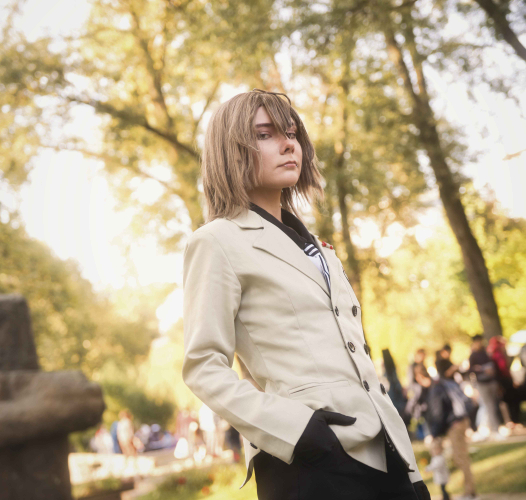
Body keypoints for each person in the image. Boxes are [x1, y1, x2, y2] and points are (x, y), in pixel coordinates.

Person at [182, 89, 428, 500]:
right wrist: (299, 431)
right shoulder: (216, 241)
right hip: (310, 462)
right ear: (230, 150)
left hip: (388, 451)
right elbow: (203, 366)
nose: (287, 144)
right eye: (265, 134)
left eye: (292, 133)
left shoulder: (320, 248)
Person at [415, 365, 478, 500]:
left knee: (460, 458)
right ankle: (469, 491)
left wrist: (434, 434)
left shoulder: (435, 389)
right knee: (460, 457)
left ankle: (470, 492)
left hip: (455, 424)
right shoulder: (439, 384)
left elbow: (438, 413)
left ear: (420, 377)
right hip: (458, 422)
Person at [468, 335, 501, 436]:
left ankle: (492, 428)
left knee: (492, 405)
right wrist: (481, 370)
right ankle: (491, 429)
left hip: (490, 381)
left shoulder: (485, 353)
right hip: (481, 383)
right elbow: (471, 370)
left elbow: (492, 365)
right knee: (487, 406)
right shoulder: (473, 355)